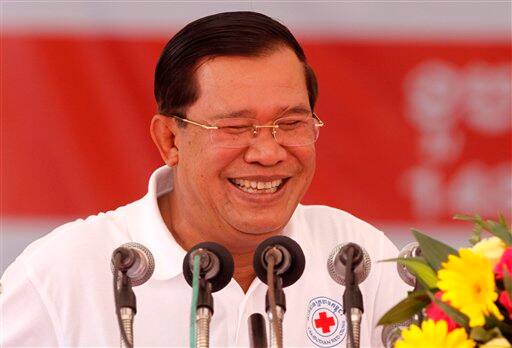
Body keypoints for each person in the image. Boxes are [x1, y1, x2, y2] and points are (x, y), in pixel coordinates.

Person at [1, 11, 409, 347]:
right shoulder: (64, 273)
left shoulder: (356, 258)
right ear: (169, 139)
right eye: (234, 127)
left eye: (291, 123)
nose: (267, 153)